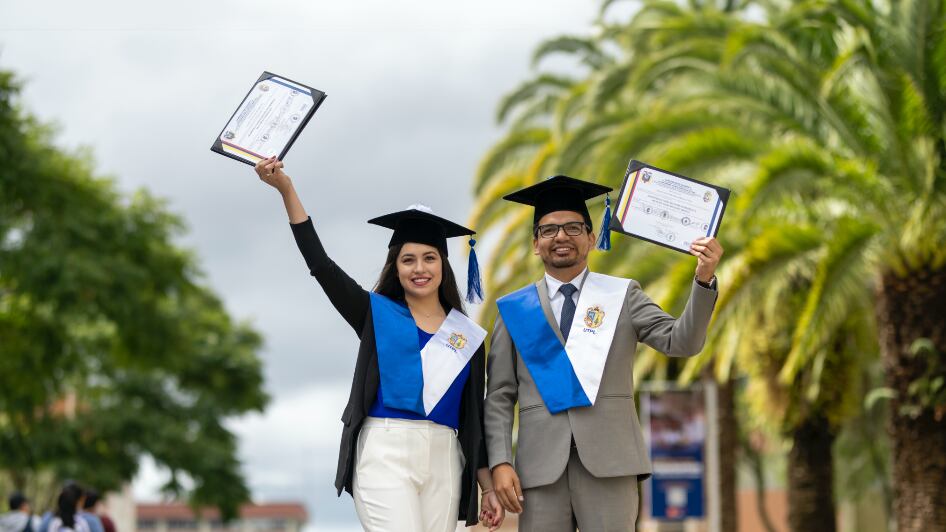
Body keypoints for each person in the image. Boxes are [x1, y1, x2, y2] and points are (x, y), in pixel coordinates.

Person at [253, 156, 504, 531]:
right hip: (385, 452)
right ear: (396, 268)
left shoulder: (466, 335)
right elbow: (321, 265)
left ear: (443, 265)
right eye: (408, 260)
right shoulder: (375, 314)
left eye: (429, 258)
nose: (419, 268)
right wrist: (287, 190)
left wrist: (488, 488)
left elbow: (473, 420)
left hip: (445, 459)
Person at [484, 175, 722, 531]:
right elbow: (499, 396)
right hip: (540, 468)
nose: (561, 237)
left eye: (573, 228)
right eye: (549, 230)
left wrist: (703, 279)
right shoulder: (514, 310)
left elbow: (682, 341)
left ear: (592, 239)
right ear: (536, 244)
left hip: (611, 461)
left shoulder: (622, 296)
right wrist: (501, 461)